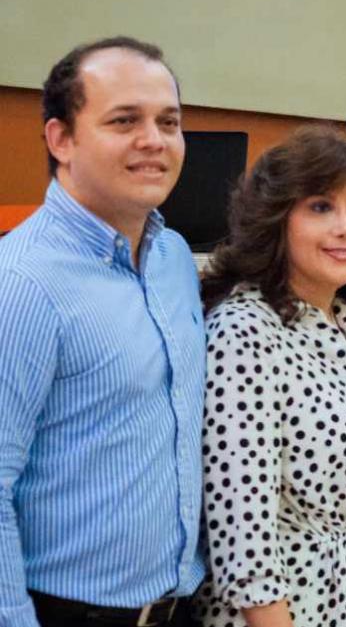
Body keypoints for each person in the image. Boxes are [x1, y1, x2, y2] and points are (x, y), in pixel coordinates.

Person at [0, 37, 204, 627]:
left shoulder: (172, 258)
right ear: (61, 139)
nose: (154, 141)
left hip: (176, 607)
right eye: (124, 121)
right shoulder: (23, 284)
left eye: (169, 121)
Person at [194, 126, 346, 627]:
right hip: (289, 612)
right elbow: (243, 544)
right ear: (275, 221)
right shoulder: (243, 333)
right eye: (320, 207)